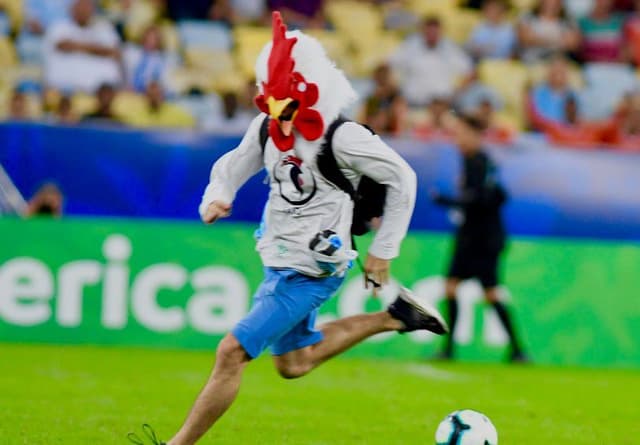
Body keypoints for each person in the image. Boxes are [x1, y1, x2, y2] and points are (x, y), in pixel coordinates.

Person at [128, 12, 447, 445]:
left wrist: (384, 251)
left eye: (286, 102)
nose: (278, 113)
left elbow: (403, 178)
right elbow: (231, 166)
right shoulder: (269, 126)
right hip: (280, 255)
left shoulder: (343, 137)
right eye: (272, 101)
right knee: (294, 363)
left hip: (315, 267)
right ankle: (393, 318)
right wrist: (216, 196)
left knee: (231, 352)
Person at [431, 113, 526, 362]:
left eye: (461, 134)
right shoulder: (470, 161)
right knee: (451, 287)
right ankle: (449, 349)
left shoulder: (482, 163)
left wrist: (447, 201)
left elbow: (485, 198)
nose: (457, 140)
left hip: (484, 239)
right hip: (469, 237)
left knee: (490, 293)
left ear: (475, 136)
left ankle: (517, 350)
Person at [389, 16, 472, 107]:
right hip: (413, 103)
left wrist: (456, 94)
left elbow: (470, 72)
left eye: (435, 32)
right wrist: (396, 89)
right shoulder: (410, 46)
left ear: (441, 32)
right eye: (429, 32)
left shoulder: (450, 48)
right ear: (422, 31)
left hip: (442, 104)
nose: (432, 35)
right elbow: (388, 65)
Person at [44, 0, 122, 93]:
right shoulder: (59, 27)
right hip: (65, 89)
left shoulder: (105, 28)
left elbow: (114, 51)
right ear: (72, 9)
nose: (83, 11)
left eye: (86, 7)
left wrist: (77, 46)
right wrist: (98, 49)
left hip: (101, 91)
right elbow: (62, 45)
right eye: (80, 7)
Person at [527, 55, 577, 128]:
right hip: (541, 133)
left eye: (561, 71)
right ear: (549, 72)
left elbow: (573, 120)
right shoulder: (538, 92)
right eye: (555, 71)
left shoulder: (572, 94)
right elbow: (534, 118)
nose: (558, 76)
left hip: (564, 133)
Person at [123, 81, 195, 129]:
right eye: (151, 95)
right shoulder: (135, 116)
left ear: (162, 95)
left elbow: (194, 128)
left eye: (157, 94)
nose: (154, 98)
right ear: (145, 96)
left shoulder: (177, 114)